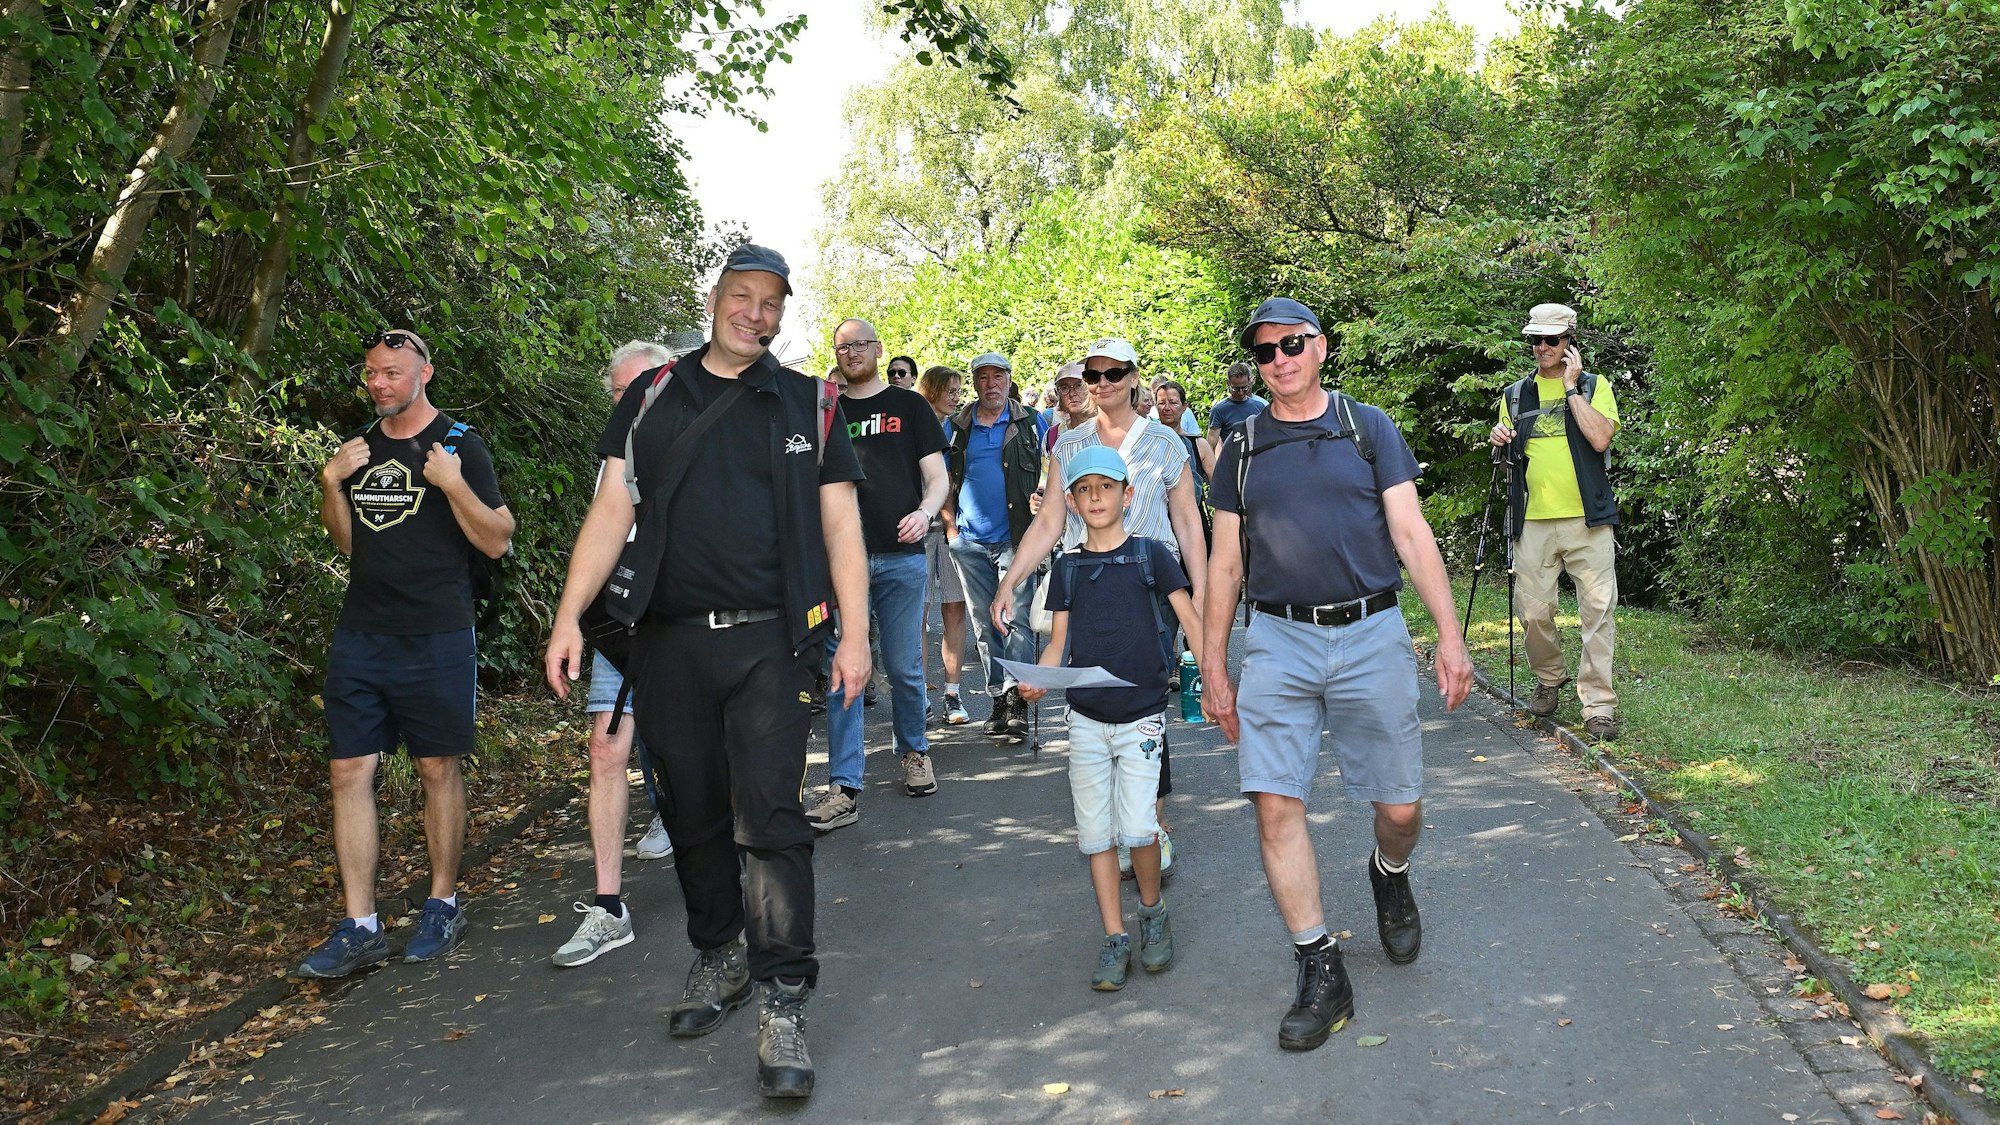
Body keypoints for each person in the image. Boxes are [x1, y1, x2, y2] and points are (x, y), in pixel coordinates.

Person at [543, 244, 868, 1100]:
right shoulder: (654, 396)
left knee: (768, 815)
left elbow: (841, 530)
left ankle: (785, 996)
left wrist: (857, 635)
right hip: (669, 642)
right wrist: (570, 614)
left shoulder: (810, 402)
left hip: (773, 642)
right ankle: (719, 952)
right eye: (743, 296)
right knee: (688, 808)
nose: (756, 314)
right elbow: (612, 507)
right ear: (717, 296)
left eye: (772, 303)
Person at [1201, 297, 1473, 1053]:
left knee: (1402, 807)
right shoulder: (1243, 448)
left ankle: (1389, 870)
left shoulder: (1367, 427)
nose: (1280, 359)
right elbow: (1225, 562)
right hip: (1278, 641)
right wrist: (1214, 662)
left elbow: (1411, 532)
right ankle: (1321, 964)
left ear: (1320, 347)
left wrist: (1449, 636)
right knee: (1274, 803)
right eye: (1265, 351)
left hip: (1371, 631)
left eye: (1292, 344)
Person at [294, 329, 513, 980]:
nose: (379, 384)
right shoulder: (358, 449)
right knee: (347, 771)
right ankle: (360, 925)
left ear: (425, 373)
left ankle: (442, 901)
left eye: (392, 372)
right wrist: (332, 483)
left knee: (436, 768)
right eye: (370, 373)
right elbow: (348, 544)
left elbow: (498, 538)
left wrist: (452, 484)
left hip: (436, 634)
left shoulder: (457, 444)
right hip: (363, 633)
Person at [997, 338, 1207, 874]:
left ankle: (1150, 827)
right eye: (1093, 376)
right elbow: (1048, 522)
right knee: (1092, 709)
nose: (1103, 384)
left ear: (1134, 377)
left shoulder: (1165, 443)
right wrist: (1011, 583)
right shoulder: (1068, 445)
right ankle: (1114, 827)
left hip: (1150, 593)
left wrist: (1201, 596)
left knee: (1145, 708)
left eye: (1114, 373)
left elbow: (1187, 524)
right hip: (1084, 592)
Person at [1018, 447, 1203, 991]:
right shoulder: (1068, 568)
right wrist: (1038, 680)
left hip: (1144, 716)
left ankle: (1152, 912)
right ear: (1071, 502)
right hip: (1086, 721)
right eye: (1084, 490)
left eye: (1106, 487)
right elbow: (1057, 646)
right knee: (1097, 835)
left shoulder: (1152, 555)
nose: (1095, 497)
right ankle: (1114, 936)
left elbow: (1190, 618)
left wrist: (1215, 677)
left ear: (1128, 495)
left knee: (1141, 827)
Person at [548, 338, 689, 970]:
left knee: (702, 749)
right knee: (606, 749)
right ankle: (608, 907)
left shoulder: (698, 440)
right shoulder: (612, 460)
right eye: (619, 392)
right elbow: (601, 538)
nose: (631, 402)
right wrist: (571, 617)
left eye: (643, 387)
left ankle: (733, 878)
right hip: (622, 625)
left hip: (691, 624)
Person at [805, 319, 950, 833]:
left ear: (878, 349)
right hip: (842, 563)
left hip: (901, 557)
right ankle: (845, 785)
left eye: (859, 345)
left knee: (905, 666)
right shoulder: (824, 409)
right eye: (843, 347)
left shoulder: (909, 406)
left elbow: (937, 478)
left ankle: (914, 751)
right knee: (846, 667)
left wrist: (926, 512)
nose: (851, 353)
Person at [1489, 303, 1622, 740]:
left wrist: (1571, 390)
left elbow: (1601, 437)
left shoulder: (1594, 386)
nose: (1542, 347)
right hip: (1533, 521)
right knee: (1533, 611)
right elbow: (1506, 460)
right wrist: (1499, 441)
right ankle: (1550, 679)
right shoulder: (1514, 395)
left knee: (1598, 613)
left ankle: (1598, 705)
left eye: (1552, 340)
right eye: (1536, 340)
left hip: (1589, 519)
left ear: (1569, 343)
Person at [942, 352, 1048, 743]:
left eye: (997, 376)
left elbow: (1053, 469)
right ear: (975, 382)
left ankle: (1017, 700)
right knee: (987, 625)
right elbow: (940, 478)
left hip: (1017, 540)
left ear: (1008, 379)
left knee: (1017, 620)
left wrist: (1042, 497)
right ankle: (998, 699)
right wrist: (952, 530)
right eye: (982, 377)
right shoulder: (956, 427)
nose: (991, 384)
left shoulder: (1032, 422)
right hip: (969, 542)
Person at [917, 364, 972, 726]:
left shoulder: (959, 428)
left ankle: (952, 694)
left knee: (954, 610)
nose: (956, 397)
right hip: (918, 531)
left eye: (958, 390)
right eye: (950, 390)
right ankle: (919, 695)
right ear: (933, 389)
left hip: (952, 530)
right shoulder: (912, 421)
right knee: (915, 616)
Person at [1206, 360, 1268, 444]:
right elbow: (1211, 444)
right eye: (1236, 389)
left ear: (1250, 381)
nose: (1241, 392)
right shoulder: (1219, 410)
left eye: (1245, 387)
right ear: (1228, 383)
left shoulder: (1260, 406)